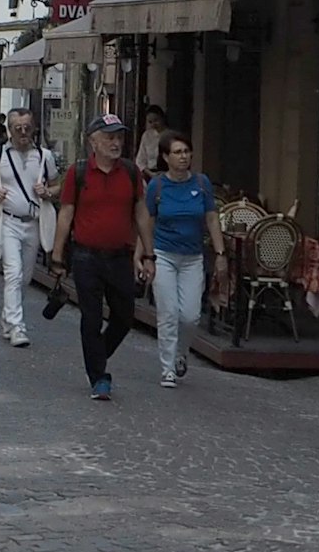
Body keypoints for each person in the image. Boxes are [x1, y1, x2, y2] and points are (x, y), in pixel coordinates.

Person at [45, 119, 146, 401]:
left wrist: (147, 253)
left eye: (119, 138)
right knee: (91, 317)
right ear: (93, 141)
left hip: (119, 257)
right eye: (109, 137)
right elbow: (65, 214)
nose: (116, 143)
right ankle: (98, 377)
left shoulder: (130, 172)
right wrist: (56, 255)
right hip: (86, 256)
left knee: (124, 317)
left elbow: (140, 213)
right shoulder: (78, 173)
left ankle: (96, 355)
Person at [143, 131, 222, 388]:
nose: (183, 157)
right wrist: (144, 256)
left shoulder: (201, 183)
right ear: (165, 157)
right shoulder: (157, 186)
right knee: (168, 312)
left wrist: (220, 254)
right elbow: (147, 223)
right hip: (164, 255)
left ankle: (181, 353)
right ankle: (167, 368)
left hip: (192, 257)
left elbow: (211, 218)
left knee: (190, 315)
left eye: (186, 151)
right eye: (177, 152)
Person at [0, 106, 56, 347]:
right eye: (18, 128)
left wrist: (47, 192)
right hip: (8, 221)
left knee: (24, 278)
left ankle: (8, 317)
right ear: (9, 130)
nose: (24, 132)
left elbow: (57, 186)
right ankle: (17, 326)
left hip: (33, 223)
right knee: (13, 273)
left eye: (28, 127)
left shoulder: (45, 157)